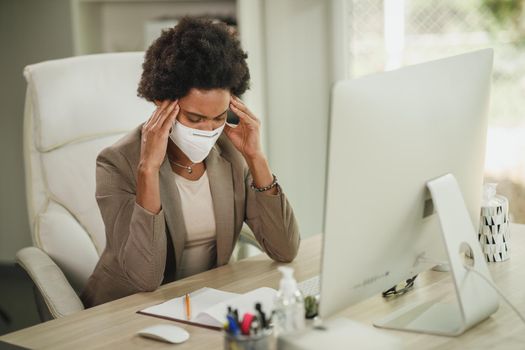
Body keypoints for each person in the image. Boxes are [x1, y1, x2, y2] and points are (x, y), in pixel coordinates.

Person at [81, 17, 300, 307]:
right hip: (126, 308)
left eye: (219, 118)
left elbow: (285, 249)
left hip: (202, 302)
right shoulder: (116, 162)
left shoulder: (231, 154)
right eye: (194, 118)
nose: (208, 130)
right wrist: (148, 169)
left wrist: (256, 158)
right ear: (163, 103)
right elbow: (144, 279)